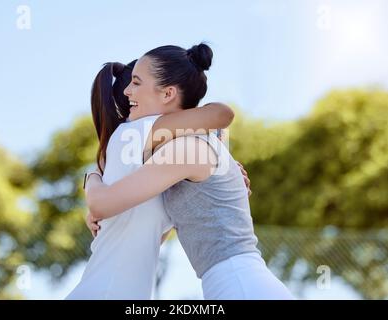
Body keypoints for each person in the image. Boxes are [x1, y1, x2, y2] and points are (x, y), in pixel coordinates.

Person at [86, 43, 294, 299]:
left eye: (137, 83)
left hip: (239, 284)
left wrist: (94, 175)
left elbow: (102, 203)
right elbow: (153, 232)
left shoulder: (186, 148)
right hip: (236, 283)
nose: (129, 91)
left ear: (168, 94)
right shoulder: (187, 147)